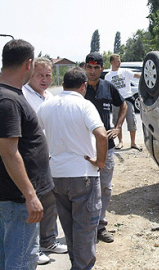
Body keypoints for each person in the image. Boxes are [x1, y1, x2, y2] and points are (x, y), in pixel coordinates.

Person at [37, 67, 108, 269]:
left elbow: (35, 135)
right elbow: (102, 135)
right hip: (83, 175)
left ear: (63, 84)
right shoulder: (84, 105)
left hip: (57, 176)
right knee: (85, 230)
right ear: (83, 86)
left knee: (68, 228)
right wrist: (100, 162)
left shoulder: (46, 106)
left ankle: (75, 265)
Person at [0, 39, 53, 269]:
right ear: (29, 64)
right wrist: (30, 196)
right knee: (20, 260)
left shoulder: (8, 94)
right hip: (17, 199)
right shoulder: (8, 100)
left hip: (10, 197)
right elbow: (9, 152)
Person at [22, 57, 68, 265]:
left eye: (48, 75)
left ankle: (48, 240)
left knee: (50, 202)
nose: (44, 79)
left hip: (50, 158)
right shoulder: (22, 95)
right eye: (40, 75)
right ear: (31, 74)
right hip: (30, 160)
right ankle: (32, 249)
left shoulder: (50, 96)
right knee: (32, 205)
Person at [84, 52, 127, 243]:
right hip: (84, 147)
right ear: (85, 67)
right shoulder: (79, 88)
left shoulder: (108, 87)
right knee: (84, 188)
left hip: (107, 147)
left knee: (105, 187)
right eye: (89, 67)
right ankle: (85, 226)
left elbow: (123, 105)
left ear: (102, 69)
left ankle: (100, 225)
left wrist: (117, 128)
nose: (92, 71)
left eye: (96, 68)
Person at [105, 54, 141, 150]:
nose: (119, 62)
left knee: (131, 120)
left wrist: (148, 76)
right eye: (117, 61)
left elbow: (137, 75)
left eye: (120, 60)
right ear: (112, 62)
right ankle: (120, 142)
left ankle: (133, 142)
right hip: (116, 102)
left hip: (127, 99)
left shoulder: (125, 71)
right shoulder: (108, 76)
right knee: (117, 122)